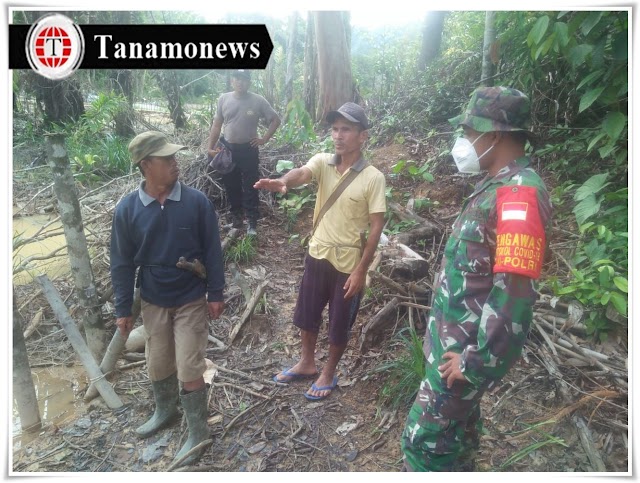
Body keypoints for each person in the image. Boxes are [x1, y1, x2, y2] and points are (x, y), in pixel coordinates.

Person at [401, 87, 553, 471]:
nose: (464, 142)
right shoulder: (495, 187)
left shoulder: (519, 195)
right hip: (452, 352)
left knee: (424, 446)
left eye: (469, 132)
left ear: (496, 133)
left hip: (463, 359)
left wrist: (475, 363)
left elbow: (514, 295)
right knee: (457, 443)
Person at [254, 102, 386, 400]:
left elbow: (377, 226)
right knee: (307, 313)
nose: (338, 136)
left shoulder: (373, 177)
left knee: (340, 322)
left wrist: (362, 269)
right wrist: (283, 182)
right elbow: (301, 173)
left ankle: (328, 372)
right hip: (317, 253)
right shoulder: (323, 162)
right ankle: (307, 362)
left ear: (362, 136)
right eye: (335, 129)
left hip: (348, 262)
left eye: (346, 130)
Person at [110, 131, 225, 467]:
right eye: (167, 159)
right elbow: (122, 262)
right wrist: (122, 309)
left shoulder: (196, 202)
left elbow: (213, 252)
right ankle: (165, 410)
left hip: (190, 295)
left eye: (175, 157)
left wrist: (215, 293)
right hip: (153, 298)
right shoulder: (129, 209)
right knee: (158, 361)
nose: (176, 163)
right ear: (146, 165)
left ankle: (198, 431)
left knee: (189, 362)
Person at [207, 69, 281, 236]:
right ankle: (236, 220)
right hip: (227, 150)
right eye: (237, 78)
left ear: (249, 82)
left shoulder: (258, 101)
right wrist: (210, 147)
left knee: (251, 186)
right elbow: (217, 124)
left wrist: (264, 139)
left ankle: (252, 223)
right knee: (231, 185)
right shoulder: (224, 99)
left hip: (249, 150)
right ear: (232, 80)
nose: (240, 82)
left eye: (244, 79)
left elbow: (275, 120)